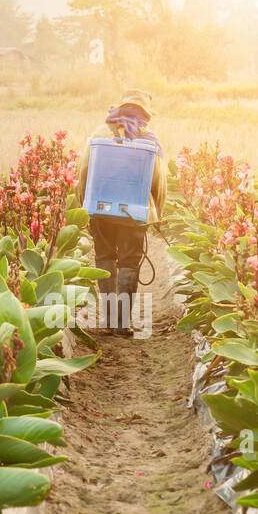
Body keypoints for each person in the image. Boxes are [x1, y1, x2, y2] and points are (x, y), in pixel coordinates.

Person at [74, 88, 168, 337]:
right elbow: (158, 182)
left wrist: (86, 207)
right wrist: (156, 213)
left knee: (105, 258)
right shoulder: (149, 140)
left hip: (100, 210)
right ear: (145, 114)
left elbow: (83, 173)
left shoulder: (99, 133)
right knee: (128, 262)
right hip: (134, 215)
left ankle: (108, 319)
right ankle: (121, 323)